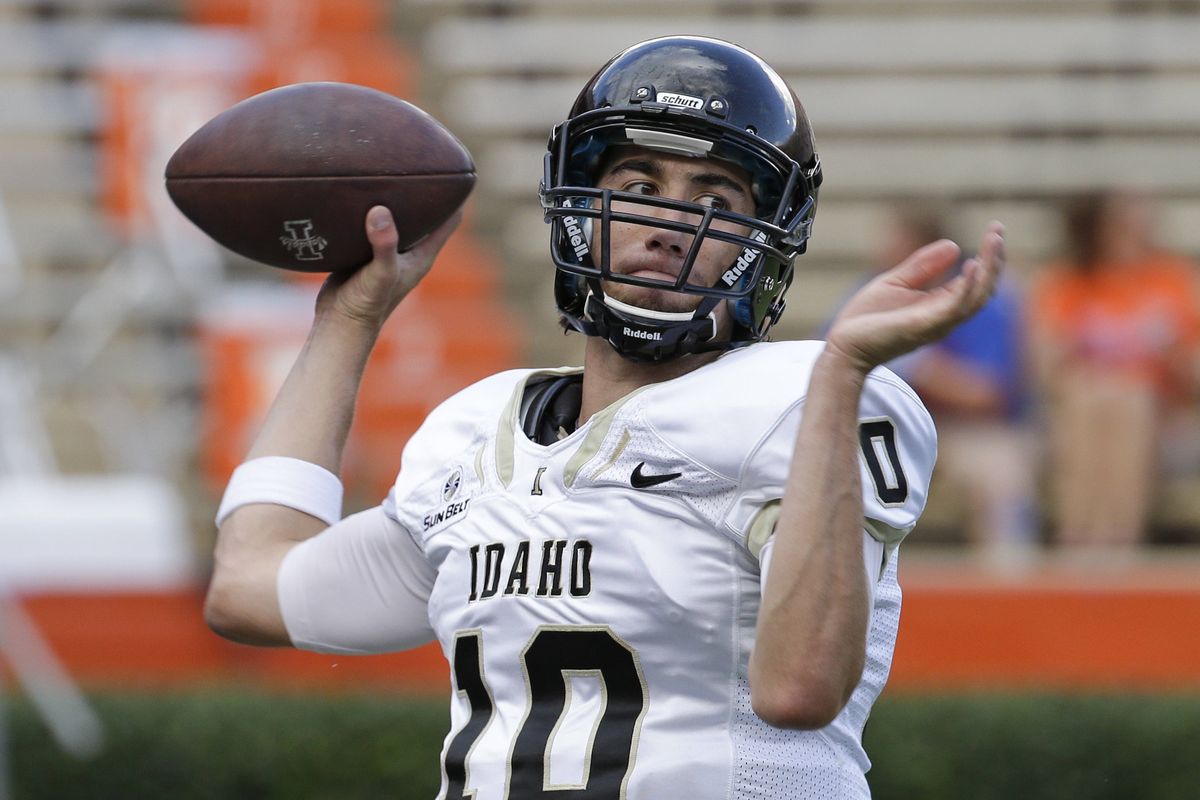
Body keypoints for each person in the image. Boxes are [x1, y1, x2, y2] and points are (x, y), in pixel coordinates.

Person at [203, 36, 1004, 799]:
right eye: (641, 188)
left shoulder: (803, 397)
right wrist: (346, 322)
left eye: (715, 198)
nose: (669, 221)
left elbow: (800, 689)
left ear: (764, 241)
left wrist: (843, 380)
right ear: (582, 204)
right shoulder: (475, 432)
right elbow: (248, 589)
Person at [1029, 189, 1200, 552]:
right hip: (1084, 403)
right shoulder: (1070, 281)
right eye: (1121, 224)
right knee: (1090, 397)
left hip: (1158, 408)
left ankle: (1120, 536)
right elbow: (1045, 368)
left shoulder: (1172, 280)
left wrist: (1172, 355)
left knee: (1130, 399)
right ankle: (1079, 534)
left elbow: (1192, 368)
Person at [873, 205, 1037, 568]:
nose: (883, 251)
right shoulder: (872, 292)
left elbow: (988, 394)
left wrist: (919, 365)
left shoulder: (977, 297)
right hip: (887, 429)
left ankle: (1009, 594)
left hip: (964, 431)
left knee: (999, 472)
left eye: (897, 241)